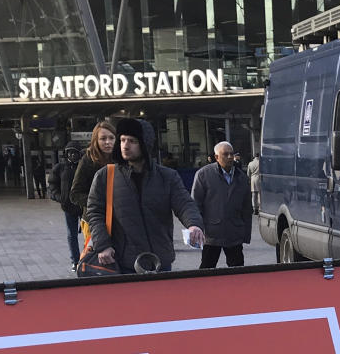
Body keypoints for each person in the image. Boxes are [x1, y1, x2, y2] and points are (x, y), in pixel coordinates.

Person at [86, 117, 204, 274]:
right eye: (122, 140)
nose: (125, 146)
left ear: (145, 144)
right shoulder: (105, 176)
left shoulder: (167, 176)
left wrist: (194, 224)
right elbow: (95, 213)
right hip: (123, 261)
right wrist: (103, 245)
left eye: (132, 141)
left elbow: (184, 203)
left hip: (160, 260)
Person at [193, 141, 253, 269]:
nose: (230, 157)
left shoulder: (241, 178)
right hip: (211, 234)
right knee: (207, 270)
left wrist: (246, 233)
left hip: (234, 233)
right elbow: (195, 204)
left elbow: (247, 208)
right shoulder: (204, 175)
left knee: (237, 271)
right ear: (216, 157)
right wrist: (196, 228)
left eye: (231, 154)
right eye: (225, 154)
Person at [70, 119, 117, 224]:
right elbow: (75, 194)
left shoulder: (121, 159)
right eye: (103, 138)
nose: (107, 142)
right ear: (96, 140)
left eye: (111, 138)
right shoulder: (87, 160)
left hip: (119, 219)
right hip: (94, 219)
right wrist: (99, 202)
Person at [50, 143, 83, 269]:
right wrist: (60, 198)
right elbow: (53, 185)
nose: (73, 155)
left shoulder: (84, 166)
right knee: (72, 234)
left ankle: (88, 258)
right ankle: (75, 260)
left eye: (75, 152)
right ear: (66, 154)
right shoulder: (60, 168)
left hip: (83, 205)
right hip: (68, 206)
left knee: (89, 233)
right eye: (70, 153)